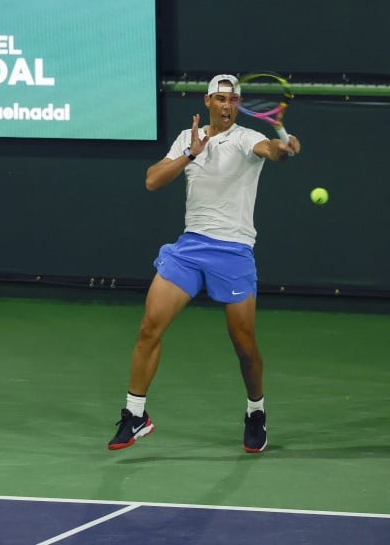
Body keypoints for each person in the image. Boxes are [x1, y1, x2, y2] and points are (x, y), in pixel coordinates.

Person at [107, 73, 301, 454]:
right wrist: (191, 153)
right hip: (190, 248)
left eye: (234, 100)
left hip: (233, 252)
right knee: (150, 326)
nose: (227, 105)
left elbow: (270, 151)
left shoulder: (246, 138)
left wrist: (285, 147)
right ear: (207, 101)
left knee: (244, 347)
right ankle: (135, 414)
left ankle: (255, 411)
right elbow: (151, 181)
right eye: (221, 98)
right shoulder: (187, 138)